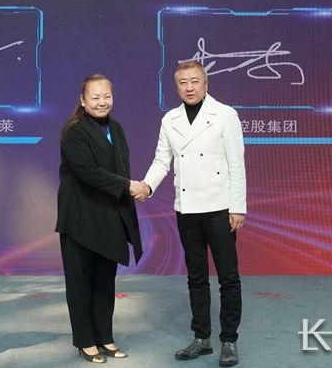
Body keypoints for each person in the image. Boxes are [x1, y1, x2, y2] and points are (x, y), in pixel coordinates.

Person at [137, 60, 247, 367]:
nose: (189, 87)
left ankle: (229, 340)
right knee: (196, 277)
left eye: (195, 81)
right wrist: (147, 185)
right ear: (176, 87)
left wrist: (238, 206)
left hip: (220, 208)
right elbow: (162, 161)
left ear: (206, 83)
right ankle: (202, 338)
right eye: (183, 82)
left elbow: (236, 163)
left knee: (228, 277)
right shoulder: (170, 119)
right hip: (186, 209)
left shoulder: (225, 114)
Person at [56, 74, 147, 364]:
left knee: (105, 284)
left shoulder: (116, 128)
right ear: (83, 101)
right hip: (80, 220)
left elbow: (120, 167)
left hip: (109, 218)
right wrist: (128, 186)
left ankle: (105, 337)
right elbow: (88, 172)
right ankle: (85, 341)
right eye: (95, 97)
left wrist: (133, 189)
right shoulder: (74, 131)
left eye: (106, 96)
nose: (101, 102)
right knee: (80, 284)